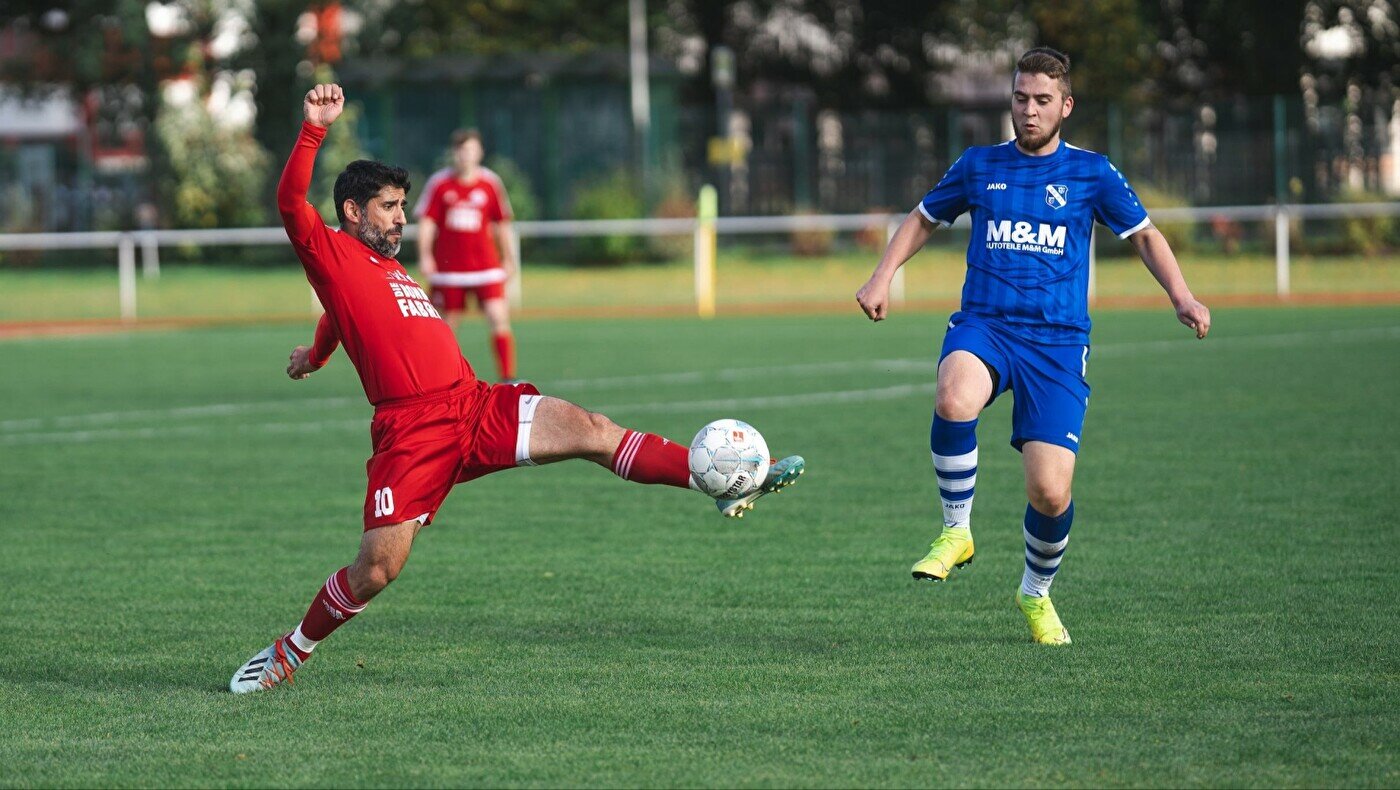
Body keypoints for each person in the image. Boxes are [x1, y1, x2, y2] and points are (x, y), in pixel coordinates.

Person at [230, 84, 804, 693]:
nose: (404, 217)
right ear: (352, 211)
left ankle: (715, 479)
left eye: (403, 205)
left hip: (475, 404)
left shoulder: (388, 264)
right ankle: (290, 652)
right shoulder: (330, 251)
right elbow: (291, 201)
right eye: (390, 207)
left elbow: (337, 319)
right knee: (376, 569)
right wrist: (314, 128)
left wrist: (314, 355)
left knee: (593, 429)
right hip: (413, 431)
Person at [855, 48, 1211, 645]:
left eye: (1043, 100)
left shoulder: (1092, 173)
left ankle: (1036, 592)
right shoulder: (978, 165)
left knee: (1049, 491)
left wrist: (1182, 295)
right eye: (1020, 98)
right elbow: (921, 218)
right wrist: (881, 274)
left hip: (1058, 345)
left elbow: (1144, 235)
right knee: (953, 394)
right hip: (986, 325)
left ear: (1065, 106)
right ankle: (956, 531)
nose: (1029, 110)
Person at [415, 130, 518, 381]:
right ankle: (439, 378)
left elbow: (502, 224)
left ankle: (507, 377)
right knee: (445, 327)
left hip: (486, 267)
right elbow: (427, 223)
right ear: (454, 153)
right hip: (450, 270)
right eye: (462, 150)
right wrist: (425, 255)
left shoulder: (490, 183)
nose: (466, 156)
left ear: (480, 152)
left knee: (498, 317)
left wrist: (509, 258)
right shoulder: (440, 184)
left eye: (471, 150)